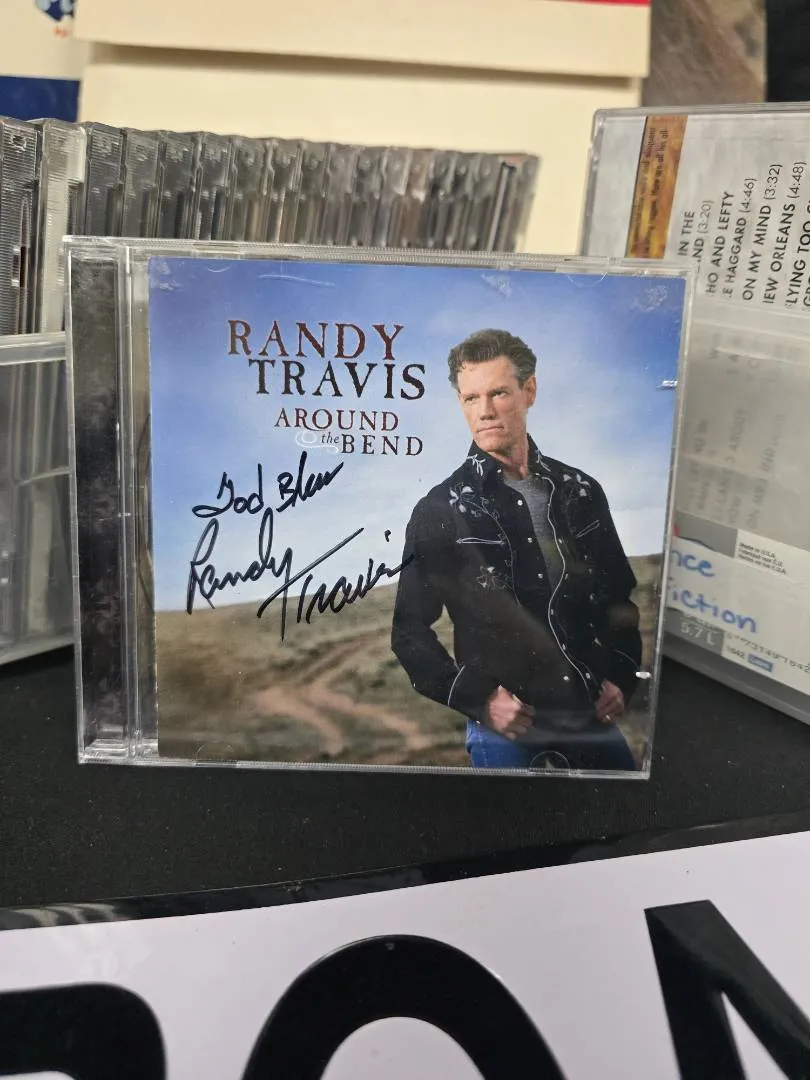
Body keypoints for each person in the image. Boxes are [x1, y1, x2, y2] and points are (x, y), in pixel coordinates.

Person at [391, 328, 644, 772]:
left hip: (588, 713)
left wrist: (621, 676)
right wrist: (480, 699)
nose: (484, 411)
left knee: (630, 813)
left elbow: (617, 598)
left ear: (530, 391)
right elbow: (409, 632)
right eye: (471, 398)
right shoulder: (438, 510)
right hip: (506, 730)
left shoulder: (581, 491)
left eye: (499, 393)